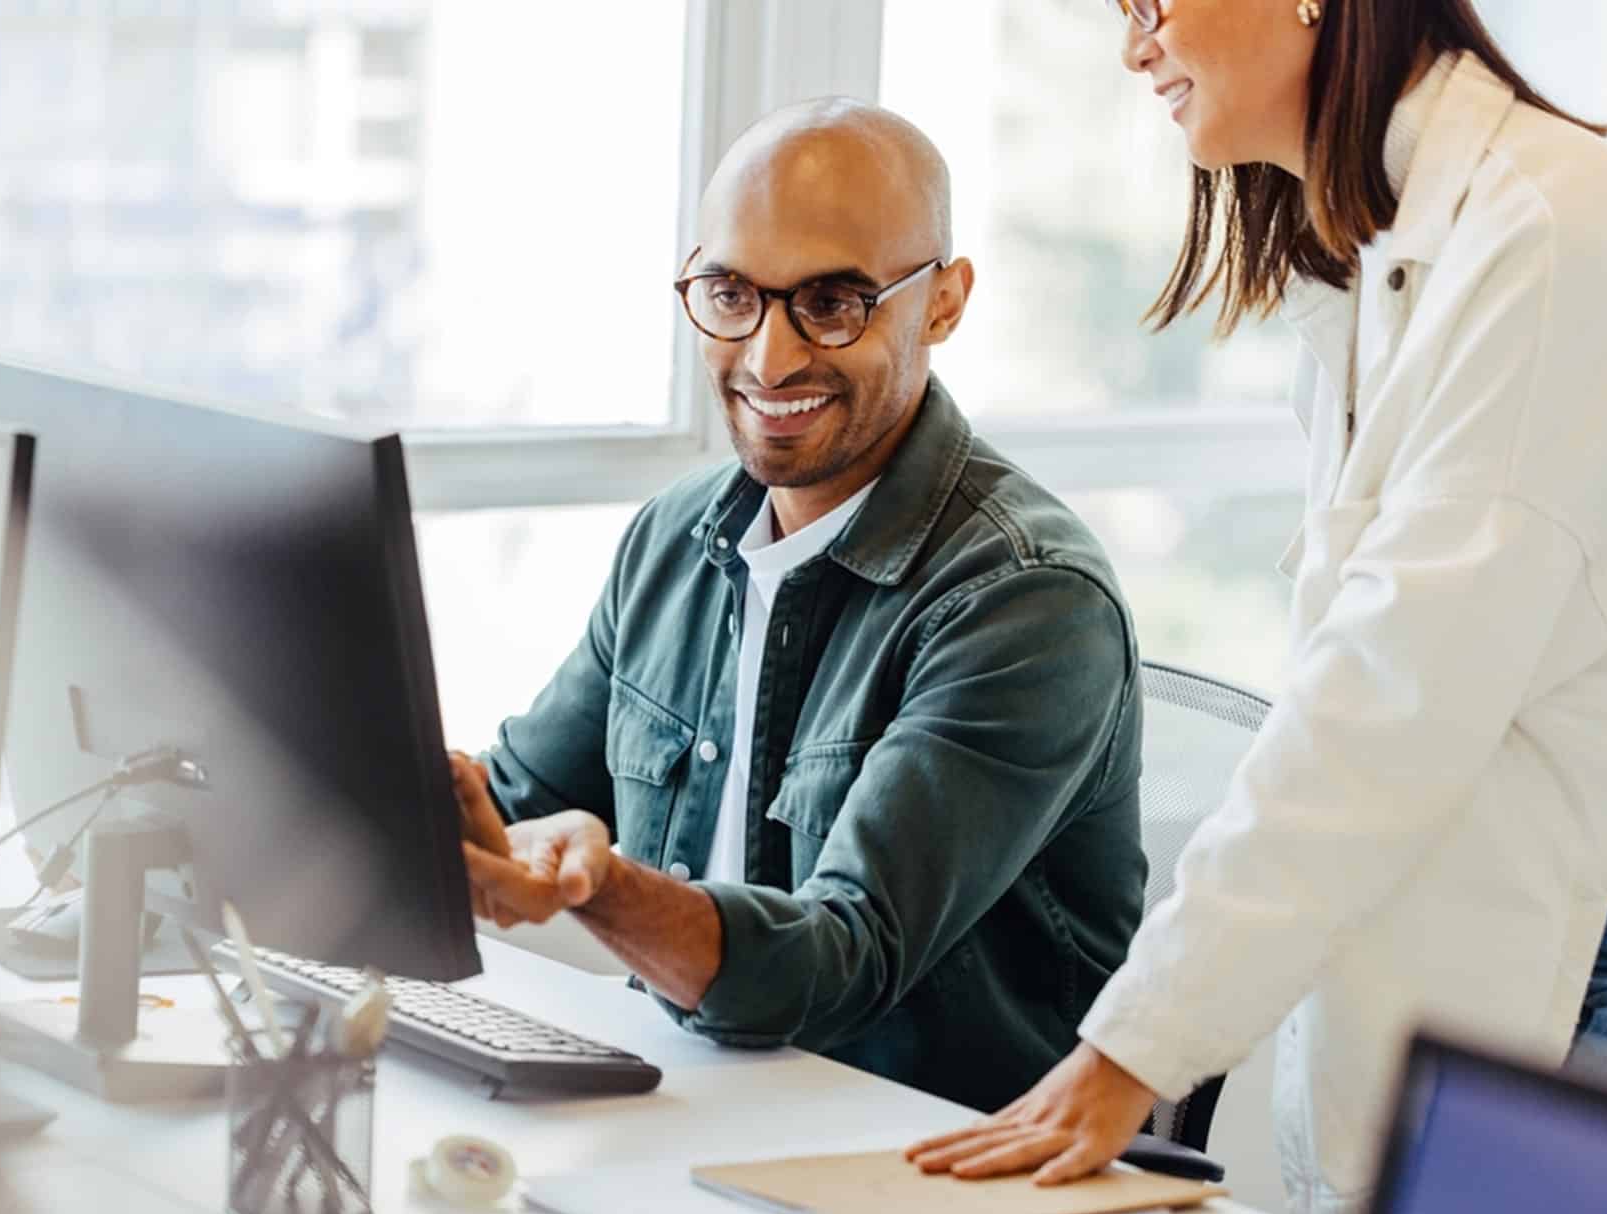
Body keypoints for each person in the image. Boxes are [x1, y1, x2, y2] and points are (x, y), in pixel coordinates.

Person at [908, 0, 1607, 1214]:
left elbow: (1385, 696)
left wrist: (1133, 1049)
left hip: (1597, 987)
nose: (1132, 45)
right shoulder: (1385, 253)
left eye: (1151, 2)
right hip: (1496, 968)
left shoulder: (1548, 232)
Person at [447, 98, 1147, 1113]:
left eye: (832, 302)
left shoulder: (1027, 599)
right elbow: (510, 800)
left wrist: (600, 887)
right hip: (688, 1125)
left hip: (923, 1178)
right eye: (731, 293)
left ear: (943, 302)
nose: (769, 358)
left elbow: (840, 962)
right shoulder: (676, 537)